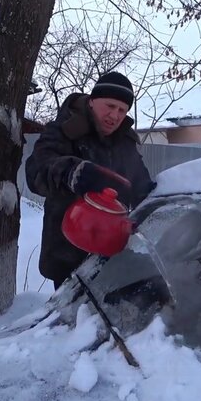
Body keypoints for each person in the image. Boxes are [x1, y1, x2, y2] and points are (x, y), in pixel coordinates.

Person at [25, 72, 156, 289]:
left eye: (122, 110)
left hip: (113, 253)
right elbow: (36, 172)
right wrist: (71, 172)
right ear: (93, 101)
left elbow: (141, 187)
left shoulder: (125, 142)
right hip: (67, 252)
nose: (115, 116)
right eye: (110, 105)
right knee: (73, 319)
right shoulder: (64, 130)